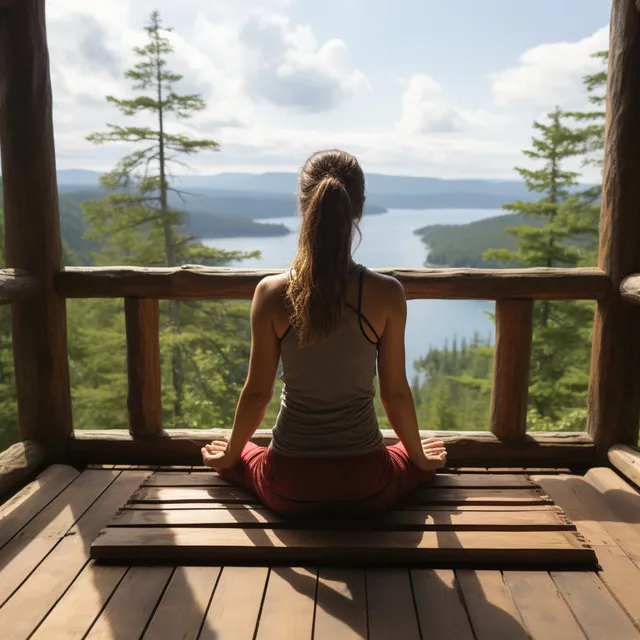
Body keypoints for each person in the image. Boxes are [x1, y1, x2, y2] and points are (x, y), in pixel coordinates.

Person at [202, 149, 447, 515]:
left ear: (304, 207)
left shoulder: (271, 293)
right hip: (367, 486)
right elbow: (394, 393)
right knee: (414, 455)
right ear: (358, 209)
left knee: (239, 455)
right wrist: (418, 459)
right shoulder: (386, 293)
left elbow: (257, 393)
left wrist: (233, 456)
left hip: (289, 487)